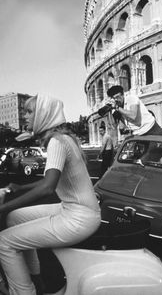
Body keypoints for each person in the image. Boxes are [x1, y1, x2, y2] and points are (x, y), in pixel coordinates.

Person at [0, 94, 101, 295]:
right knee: (14, 219)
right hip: (75, 210)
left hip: (78, 218)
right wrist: (21, 188)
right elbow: (49, 181)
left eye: (30, 111)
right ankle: (36, 278)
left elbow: (47, 188)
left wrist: (3, 207)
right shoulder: (63, 138)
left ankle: (23, 292)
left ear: (44, 114)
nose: (25, 115)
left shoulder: (57, 141)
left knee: (3, 242)